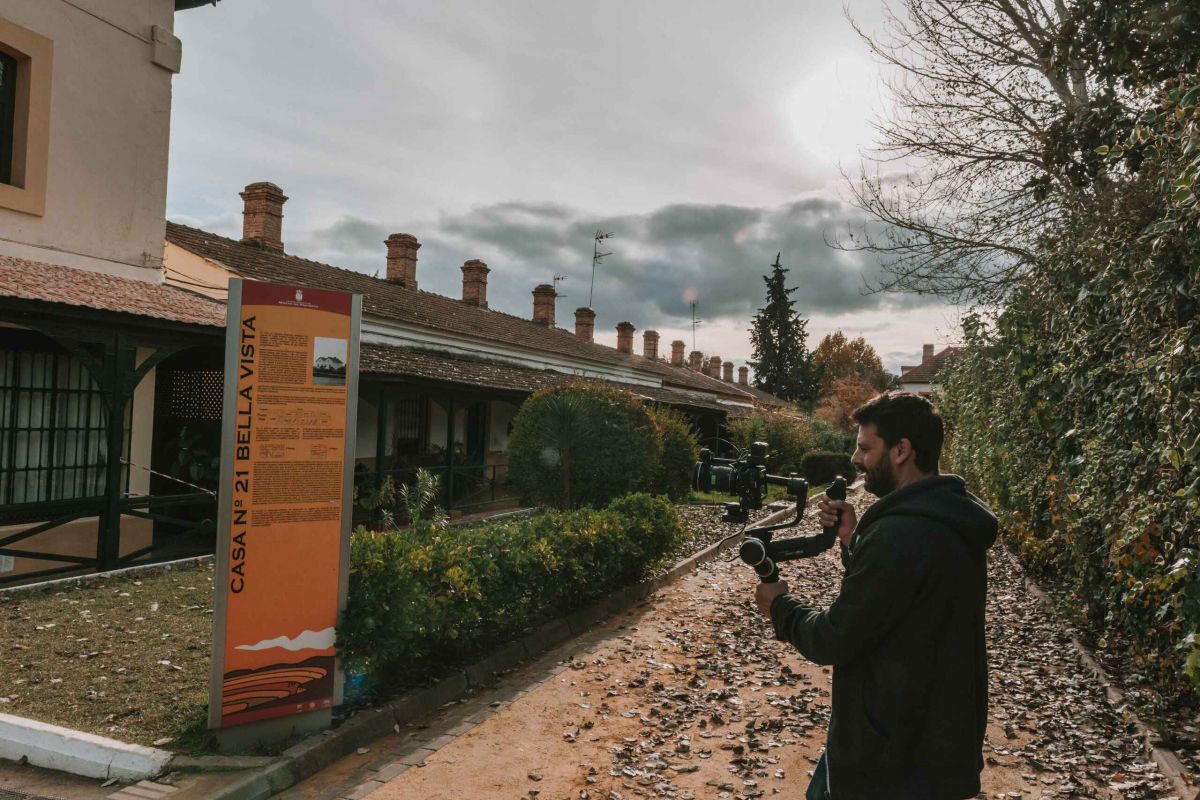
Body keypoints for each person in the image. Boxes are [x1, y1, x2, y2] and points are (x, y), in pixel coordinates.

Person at [753, 391, 997, 800]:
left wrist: (780, 606)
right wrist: (853, 541)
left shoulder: (900, 534)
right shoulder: (949, 517)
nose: (854, 458)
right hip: (938, 740)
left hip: (888, 756)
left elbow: (835, 637)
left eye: (865, 447)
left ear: (901, 450)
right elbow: (900, 599)